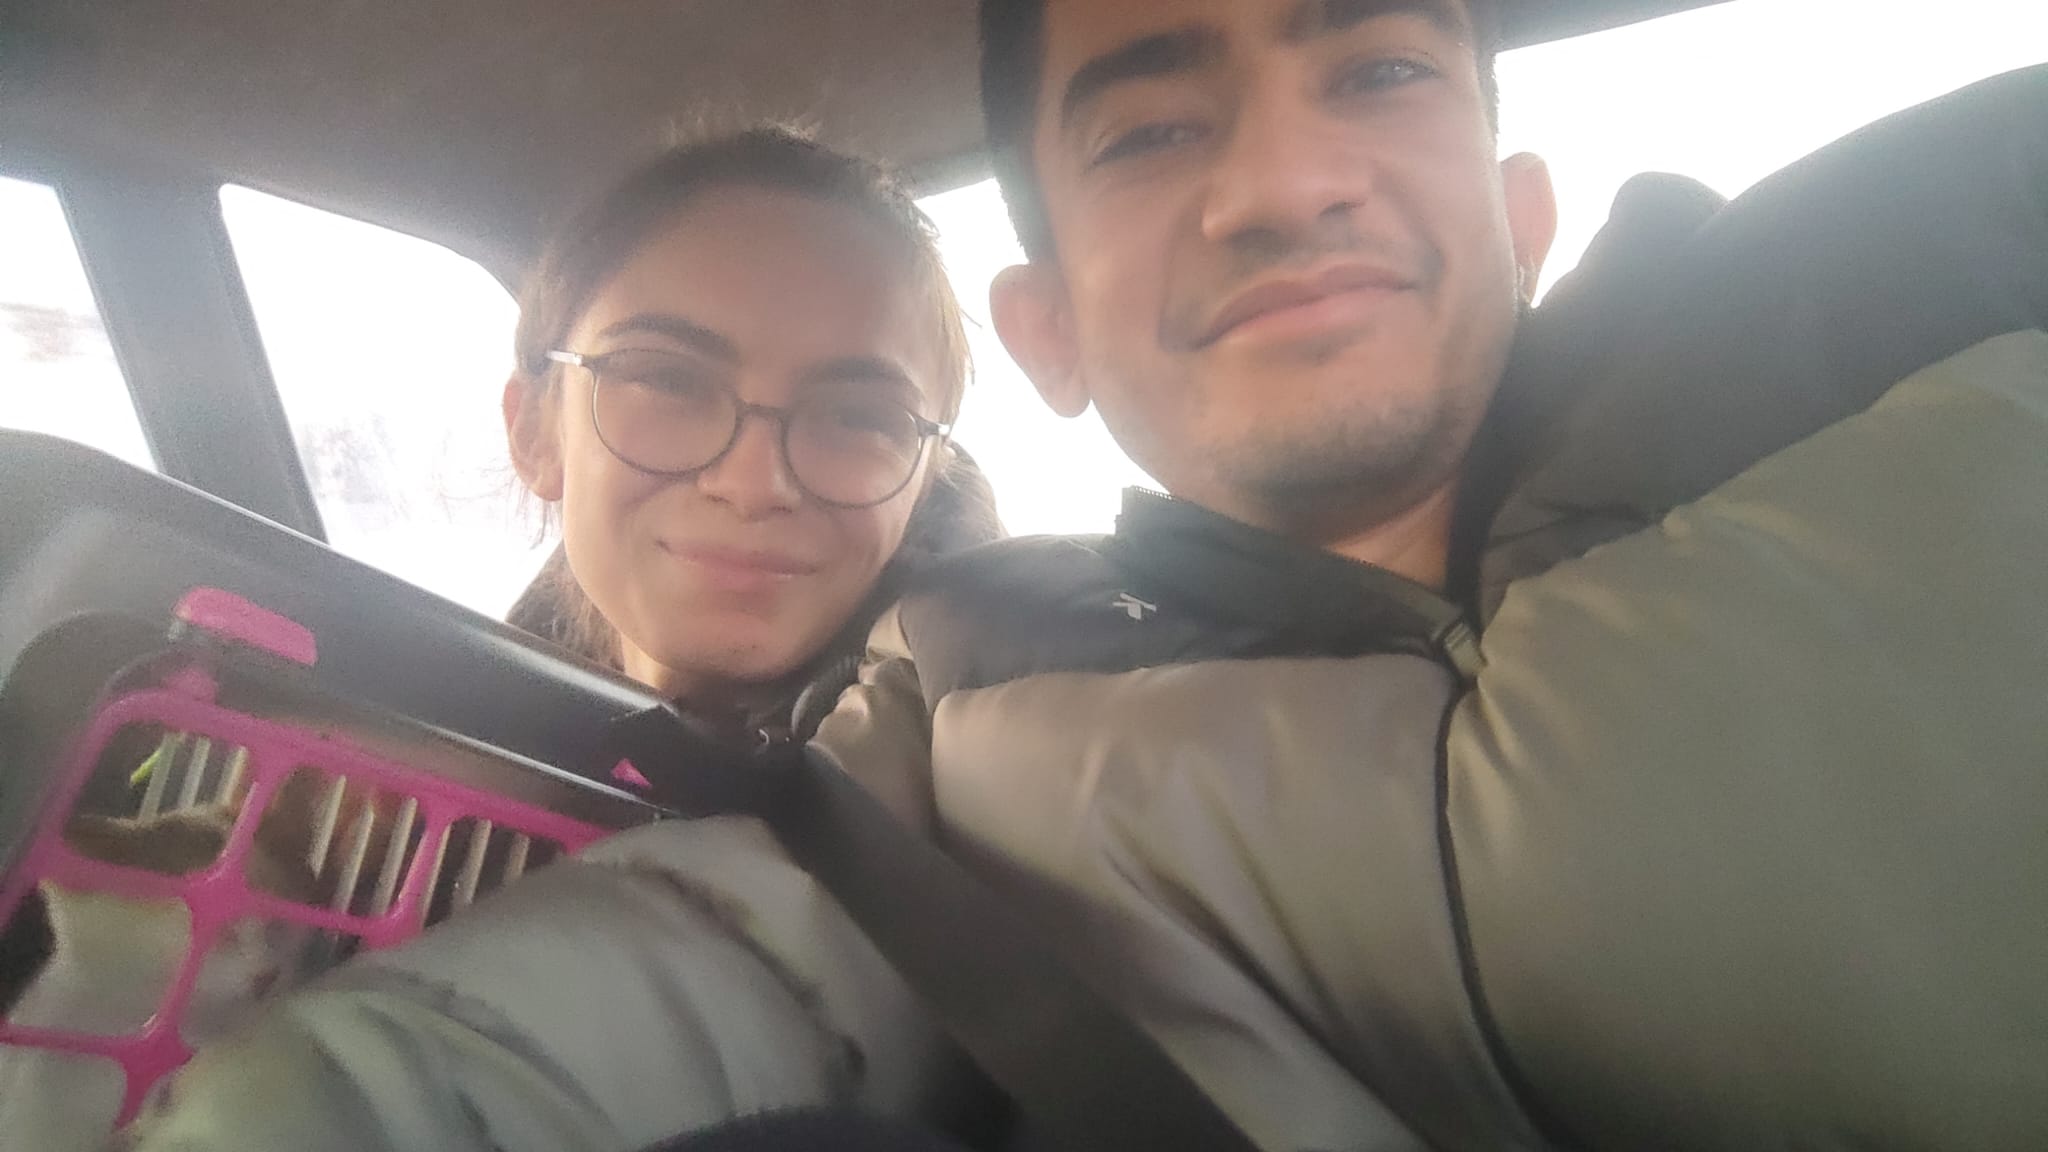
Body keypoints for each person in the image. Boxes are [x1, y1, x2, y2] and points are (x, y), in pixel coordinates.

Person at [117, 3, 2048, 1150]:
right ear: (1046, 335)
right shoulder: (967, 709)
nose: (1280, 183)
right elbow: (715, 959)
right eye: (1151, 126)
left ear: (1519, 208)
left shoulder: (1943, 298)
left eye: (1376, 68)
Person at [492, 126, 1002, 740]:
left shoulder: (1015, 767)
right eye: (670, 381)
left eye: (856, 417)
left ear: (926, 480)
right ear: (533, 432)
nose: (753, 486)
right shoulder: (449, 741)